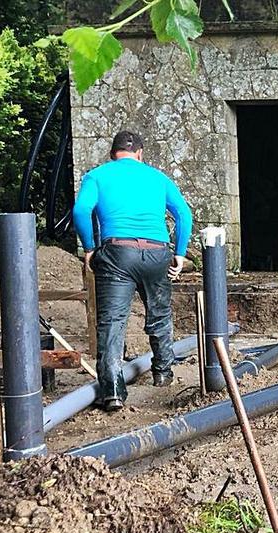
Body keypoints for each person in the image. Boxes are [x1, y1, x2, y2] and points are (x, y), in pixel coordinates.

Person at [72, 130, 193, 412]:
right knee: (159, 313)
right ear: (140, 154)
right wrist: (179, 253)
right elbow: (184, 214)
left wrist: (90, 247)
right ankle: (163, 373)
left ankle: (113, 391)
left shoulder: (97, 176)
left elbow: (80, 211)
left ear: (112, 154)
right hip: (156, 251)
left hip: (117, 253)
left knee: (113, 321)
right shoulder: (158, 178)